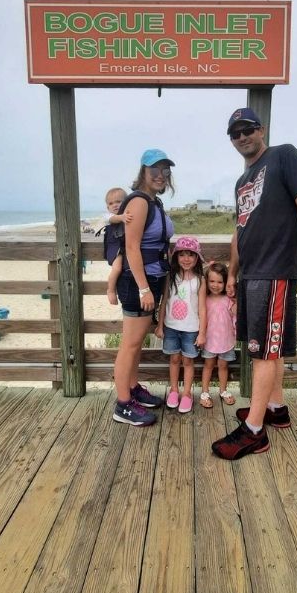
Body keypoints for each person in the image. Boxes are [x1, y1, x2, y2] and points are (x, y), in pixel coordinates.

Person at [211, 108, 297, 460]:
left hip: (275, 269)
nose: (242, 137)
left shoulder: (284, 156)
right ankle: (276, 408)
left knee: (262, 351)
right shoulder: (241, 180)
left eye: (247, 129)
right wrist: (232, 272)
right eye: (235, 133)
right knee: (267, 347)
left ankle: (254, 431)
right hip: (251, 272)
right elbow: (239, 229)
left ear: (261, 130)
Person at [113, 149, 175, 426]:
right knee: (130, 344)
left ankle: (134, 388)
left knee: (137, 343)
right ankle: (123, 404)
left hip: (152, 278)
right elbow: (131, 247)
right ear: (143, 172)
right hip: (139, 281)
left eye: (165, 170)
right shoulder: (139, 202)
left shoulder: (154, 202)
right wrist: (143, 289)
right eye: (155, 170)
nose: (161, 175)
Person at [155, 236, 206, 414]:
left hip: (191, 329)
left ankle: (186, 394)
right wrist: (160, 325)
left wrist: (202, 333)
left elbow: (202, 309)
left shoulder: (200, 280)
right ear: (176, 257)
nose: (186, 259)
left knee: (188, 361)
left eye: (190, 255)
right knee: (174, 359)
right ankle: (174, 390)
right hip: (171, 327)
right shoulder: (171, 277)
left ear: (197, 257)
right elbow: (164, 302)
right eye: (182, 255)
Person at [199, 261, 237, 408]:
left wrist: (236, 300)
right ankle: (205, 392)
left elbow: (234, 314)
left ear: (226, 282)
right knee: (208, 365)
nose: (215, 285)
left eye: (220, 282)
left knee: (223, 366)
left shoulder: (228, 299)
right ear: (206, 281)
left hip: (226, 340)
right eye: (212, 281)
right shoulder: (204, 299)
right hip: (209, 340)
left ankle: (223, 390)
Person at [98, 187, 133, 304]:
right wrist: (122, 217)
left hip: (126, 246)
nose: (115, 205)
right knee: (117, 267)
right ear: (107, 207)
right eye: (111, 203)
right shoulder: (108, 217)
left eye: (118, 201)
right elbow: (114, 219)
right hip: (115, 246)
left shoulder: (129, 214)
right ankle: (111, 290)